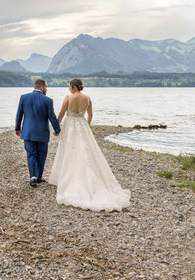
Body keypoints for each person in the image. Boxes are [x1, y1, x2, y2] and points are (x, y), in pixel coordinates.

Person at [49, 78, 131, 212]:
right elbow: (90, 114)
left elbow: (61, 114)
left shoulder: (68, 98)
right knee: (85, 150)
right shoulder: (87, 98)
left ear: (74, 87)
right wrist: (86, 126)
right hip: (82, 125)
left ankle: (68, 178)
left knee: (69, 150)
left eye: (70, 86)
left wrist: (57, 127)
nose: (69, 89)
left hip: (70, 126)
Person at [15, 79, 61, 187]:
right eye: (46, 87)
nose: (46, 89)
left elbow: (19, 114)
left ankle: (33, 177)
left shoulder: (24, 97)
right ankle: (39, 176)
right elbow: (52, 117)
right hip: (42, 132)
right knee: (42, 154)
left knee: (31, 154)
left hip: (28, 131)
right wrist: (57, 129)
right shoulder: (48, 100)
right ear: (41, 87)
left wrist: (17, 128)